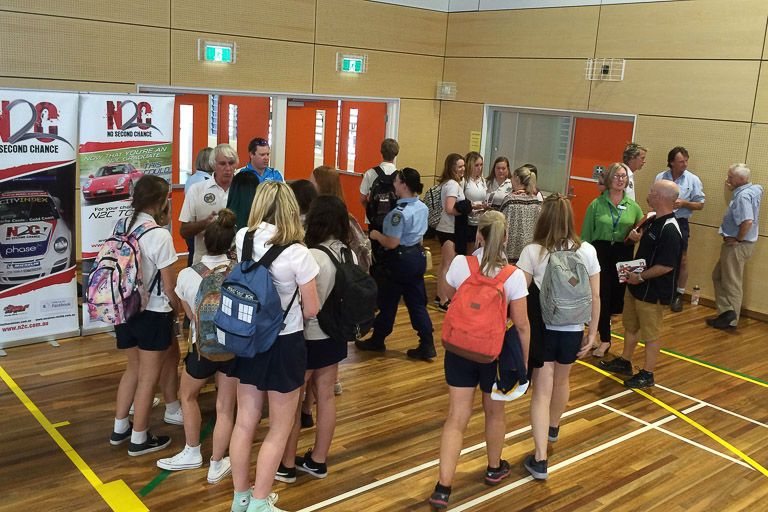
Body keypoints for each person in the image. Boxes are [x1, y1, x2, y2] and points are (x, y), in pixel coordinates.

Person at [428, 211, 530, 510]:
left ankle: (443, 487)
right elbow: (522, 326)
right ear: (506, 238)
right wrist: (522, 365)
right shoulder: (514, 276)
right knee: (494, 413)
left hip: (458, 349)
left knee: (456, 417)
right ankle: (494, 467)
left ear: (480, 236)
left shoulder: (462, 263)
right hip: (492, 354)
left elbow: (445, 294)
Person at [228, 181, 320, 512]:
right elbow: (311, 309)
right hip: (285, 342)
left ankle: (240, 498)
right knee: (279, 429)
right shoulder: (299, 254)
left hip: (249, 338)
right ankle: (259, 502)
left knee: (244, 422)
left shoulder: (243, 238)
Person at [517, 194, 600, 480]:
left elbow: (519, 293)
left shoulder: (533, 252)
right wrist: (593, 331)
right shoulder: (586, 251)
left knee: (542, 390)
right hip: (573, 327)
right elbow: (596, 295)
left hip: (543, 330)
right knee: (563, 379)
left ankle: (539, 458)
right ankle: (553, 427)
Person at [156, 209, 239, 484]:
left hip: (201, 348)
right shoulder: (239, 272)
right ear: (231, 244)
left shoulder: (188, 275)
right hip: (233, 348)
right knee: (225, 406)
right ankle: (217, 463)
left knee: (188, 396)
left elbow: (189, 315)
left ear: (204, 240)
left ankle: (192, 451)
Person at [276, 196, 352, 484]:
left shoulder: (313, 256)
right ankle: (318, 459)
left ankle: (286, 463)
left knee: (293, 401)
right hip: (335, 335)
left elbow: (304, 303)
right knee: (326, 396)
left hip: (308, 335)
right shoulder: (348, 253)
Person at [108, 175, 182, 456]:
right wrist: (179, 312)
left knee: (133, 370)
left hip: (124, 309)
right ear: (162, 201)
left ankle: (120, 428)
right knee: (149, 378)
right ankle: (139, 438)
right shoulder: (159, 235)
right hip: (153, 312)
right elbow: (169, 285)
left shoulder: (122, 224)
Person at [599, 180, 683, 389]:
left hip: (653, 291)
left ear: (662, 197)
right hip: (636, 286)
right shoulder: (652, 219)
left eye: (652, 191)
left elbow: (667, 266)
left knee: (651, 334)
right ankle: (625, 361)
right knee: (631, 325)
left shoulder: (671, 230)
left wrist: (642, 277)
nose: (649, 194)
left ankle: (648, 373)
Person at [355, 168, 436, 360]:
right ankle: (427, 342)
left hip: (399, 260)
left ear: (404, 185)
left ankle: (378, 338)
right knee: (417, 302)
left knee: (388, 302)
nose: (394, 184)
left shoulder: (397, 214)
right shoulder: (422, 207)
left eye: (397, 181)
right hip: (417, 256)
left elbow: (392, 242)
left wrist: (375, 235)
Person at [581, 163, 643, 358]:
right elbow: (585, 235)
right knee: (602, 296)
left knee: (616, 299)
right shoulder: (596, 205)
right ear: (608, 179)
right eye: (616, 176)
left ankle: (597, 333)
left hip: (623, 254)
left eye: (624, 176)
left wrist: (637, 236)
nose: (620, 179)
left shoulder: (634, 206)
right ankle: (605, 339)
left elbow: (642, 227)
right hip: (601, 253)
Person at [707, 163, 763, 330]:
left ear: (741, 179)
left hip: (738, 246)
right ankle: (726, 312)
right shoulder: (755, 189)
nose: (727, 179)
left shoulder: (742, 197)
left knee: (732, 282)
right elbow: (760, 188)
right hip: (741, 245)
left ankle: (731, 319)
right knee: (718, 276)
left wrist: (738, 239)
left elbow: (747, 221)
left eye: (731, 177)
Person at [655, 146, 705, 312]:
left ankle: (678, 294)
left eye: (686, 160)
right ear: (671, 162)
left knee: (682, 259)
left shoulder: (693, 180)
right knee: (658, 255)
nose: (685, 164)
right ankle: (660, 290)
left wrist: (684, 203)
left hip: (680, 222)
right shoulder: (661, 177)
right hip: (661, 219)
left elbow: (700, 204)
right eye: (681, 161)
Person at [180, 144, 236, 265]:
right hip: (203, 264)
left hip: (235, 264)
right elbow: (184, 231)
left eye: (231, 163)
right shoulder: (197, 190)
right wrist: (205, 223)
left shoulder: (242, 190)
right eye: (222, 163)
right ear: (213, 165)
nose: (228, 168)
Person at [312, 165, 371, 273]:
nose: (309, 185)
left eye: (312, 182)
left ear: (322, 186)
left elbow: (361, 252)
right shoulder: (347, 219)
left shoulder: (345, 221)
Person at [435, 154, 466, 311]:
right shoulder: (453, 185)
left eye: (463, 166)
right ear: (452, 167)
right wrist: (467, 210)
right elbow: (449, 208)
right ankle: (443, 300)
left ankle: (440, 295)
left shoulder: (450, 183)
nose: (463, 169)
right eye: (459, 166)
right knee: (447, 265)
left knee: (444, 264)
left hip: (448, 228)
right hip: (449, 229)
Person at [499, 165, 542, 263]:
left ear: (517, 179)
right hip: (529, 253)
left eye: (512, 177)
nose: (510, 179)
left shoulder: (510, 200)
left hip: (510, 253)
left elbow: (500, 224)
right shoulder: (536, 201)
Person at [184, 147, 213, 265]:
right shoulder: (205, 181)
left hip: (192, 224)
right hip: (199, 226)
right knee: (199, 259)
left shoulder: (192, 178)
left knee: (193, 254)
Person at [359, 138, 399, 214]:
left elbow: (362, 199)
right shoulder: (399, 176)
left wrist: (370, 212)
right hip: (393, 220)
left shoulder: (370, 173)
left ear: (381, 152)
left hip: (373, 219)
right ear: (396, 153)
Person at [464, 151, 488, 254]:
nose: (479, 168)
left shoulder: (482, 180)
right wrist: (473, 206)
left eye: (481, 165)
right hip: (468, 220)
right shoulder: (465, 181)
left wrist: (485, 206)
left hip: (480, 220)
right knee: (469, 250)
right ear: (470, 165)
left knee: (478, 250)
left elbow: (484, 197)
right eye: (476, 165)